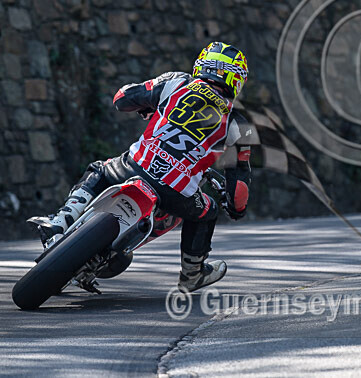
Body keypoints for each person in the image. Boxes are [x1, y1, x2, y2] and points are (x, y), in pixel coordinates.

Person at [28, 42, 253, 292]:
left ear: (202, 64)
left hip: (132, 166)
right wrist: (236, 208)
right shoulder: (239, 125)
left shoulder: (177, 82)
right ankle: (192, 273)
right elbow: (239, 187)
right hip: (176, 191)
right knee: (208, 211)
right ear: (236, 80)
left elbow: (122, 98)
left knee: (100, 170)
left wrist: (147, 105)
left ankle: (61, 220)